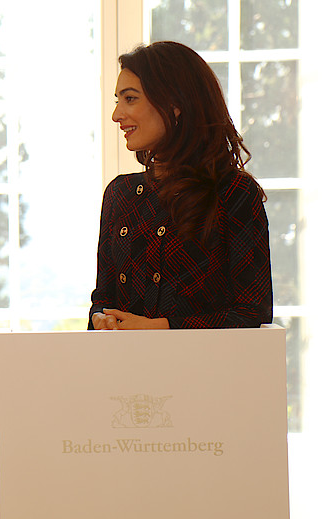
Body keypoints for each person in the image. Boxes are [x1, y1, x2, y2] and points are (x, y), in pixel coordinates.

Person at [89, 41, 273, 331]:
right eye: (117, 101)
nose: (117, 115)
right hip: (123, 361)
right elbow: (103, 298)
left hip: (206, 362)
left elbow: (252, 313)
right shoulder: (120, 195)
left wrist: (162, 328)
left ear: (174, 104)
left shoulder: (233, 193)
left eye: (130, 99)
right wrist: (101, 317)